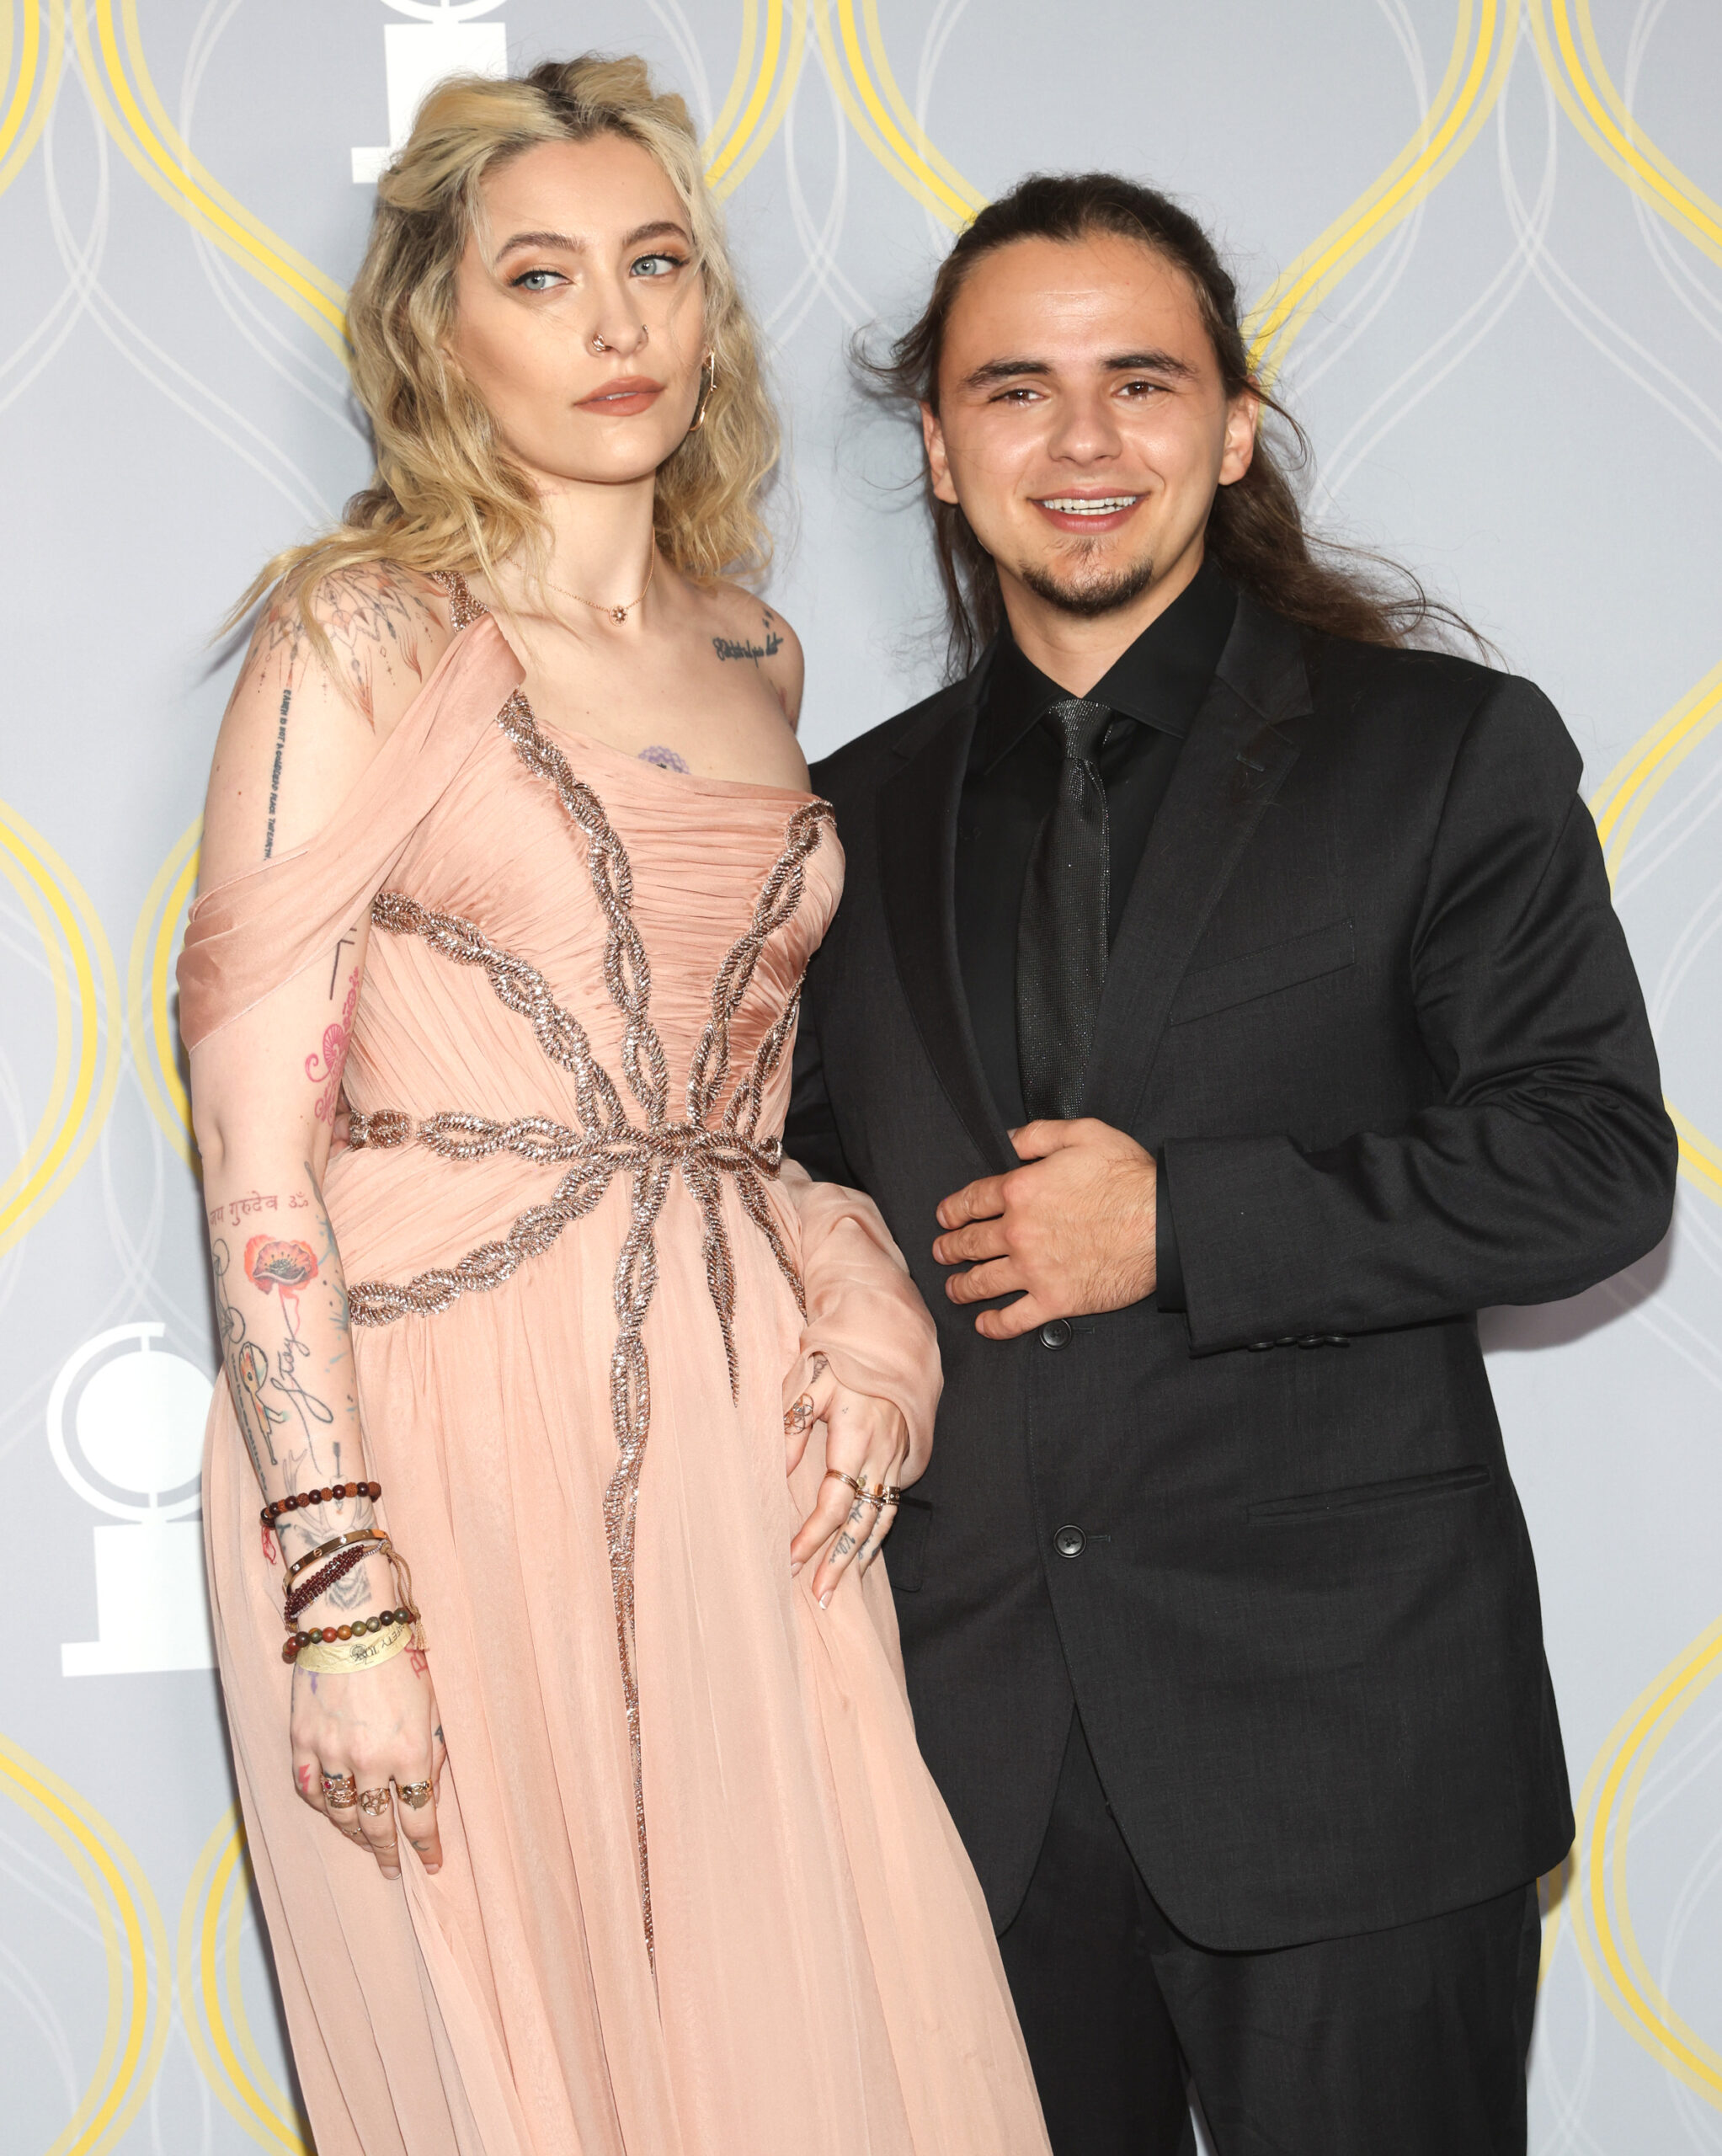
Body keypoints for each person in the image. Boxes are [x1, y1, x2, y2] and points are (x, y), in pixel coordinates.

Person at [181, 56, 1050, 2156]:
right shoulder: (359, 633)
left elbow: (759, 1114)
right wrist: (340, 1590)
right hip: (436, 1417)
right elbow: (255, 1151)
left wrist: (862, 1300)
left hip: (739, 1428)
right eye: (544, 276)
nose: (617, 323)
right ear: (439, 332)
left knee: (834, 2025)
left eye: (655, 265)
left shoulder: (755, 651)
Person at [787, 172, 1678, 2156]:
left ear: (1233, 425)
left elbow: (1593, 1165)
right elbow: (809, 1200)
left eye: (1141, 383)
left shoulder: (1442, 749)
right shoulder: (843, 813)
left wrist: (1183, 1221)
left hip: (1350, 1757)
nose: (1084, 443)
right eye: (1016, 390)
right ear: (939, 448)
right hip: (974, 1773)